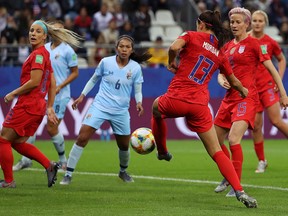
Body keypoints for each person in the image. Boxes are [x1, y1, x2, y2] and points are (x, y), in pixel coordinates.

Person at [151, 10, 257, 208]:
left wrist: (171, 61)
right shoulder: (220, 51)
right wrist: (243, 90)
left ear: (201, 23)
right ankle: (240, 191)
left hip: (177, 98)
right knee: (216, 150)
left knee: (156, 108)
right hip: (200, 106)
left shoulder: (191, 35)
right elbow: (233, 80)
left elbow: (174, 47)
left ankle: (163, 151)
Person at [214, 7, 288, 197]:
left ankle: (235, 185)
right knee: (213, 140)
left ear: (246, 24)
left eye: (238, 22)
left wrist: (283, 92)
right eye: (232, 22)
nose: (234, 25)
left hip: (246, 98)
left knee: (233, 139)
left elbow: (272, 67)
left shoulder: (256, 44)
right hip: (228, 98)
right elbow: (221, 71)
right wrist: (220, 79)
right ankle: (229, 172)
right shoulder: (228, 46)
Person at [0, 19, 82, 188]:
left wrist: (13, 93)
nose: (33, 34)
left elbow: (35, 81)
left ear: (45, 36)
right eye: (31, 30)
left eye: (38, 31)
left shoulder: (38, 55)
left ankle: (9, 181)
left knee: (2, 140)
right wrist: (49, 106)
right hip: (38, 106)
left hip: (27, 105)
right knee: (17, 143)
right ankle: (49, 165)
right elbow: (51, 82)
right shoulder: (45, 54)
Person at [59, 35, 151, 185]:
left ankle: (123, 172)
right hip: (100, 106)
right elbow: (94, 79)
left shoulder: (135, 68)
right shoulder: (105, 62)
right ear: (116, 48)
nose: (124, 49)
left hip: (120, 111)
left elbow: (138, 89)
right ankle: (68, 174)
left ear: (131, 50)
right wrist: (82, 95)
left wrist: (139, 102)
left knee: (124, 145)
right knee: (82, 137)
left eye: (127, 47)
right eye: (121, 46)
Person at [248, 10, 287, 173]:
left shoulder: (270, 42)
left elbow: (282, 59)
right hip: (252, 89)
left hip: (268, 86)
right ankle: (262, 161)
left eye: (260, 21)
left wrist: (279, 78)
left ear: (265, 23)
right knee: (256, 127)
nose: (257, 23)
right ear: (250, 22)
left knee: (276, 121)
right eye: (255, 20)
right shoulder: (245, 40)